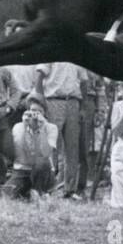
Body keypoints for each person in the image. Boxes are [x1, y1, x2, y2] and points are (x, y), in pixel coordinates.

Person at [37, 61, 89, 198]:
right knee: (51, 145)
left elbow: (84, 82)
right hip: (53, 100)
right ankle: (47, 187)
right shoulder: (52, 52)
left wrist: (83, 107)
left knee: (72, 147)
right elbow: (39, 77)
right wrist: (40, 102)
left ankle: (69, 189)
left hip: (73, 101)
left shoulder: (77, 55)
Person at [7, 95, 57, 199]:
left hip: (43, 171)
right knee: (7, 194)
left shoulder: (51, 128)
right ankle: (28, 193)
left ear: (45, 114)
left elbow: (45, 153)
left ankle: (40, 192)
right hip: (22, 170)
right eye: (33, 111)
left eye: (39, 112)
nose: (35, 115)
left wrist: (42, 128)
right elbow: (19, 155)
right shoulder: (18, 127)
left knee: (41, 162)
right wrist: (25, 128)